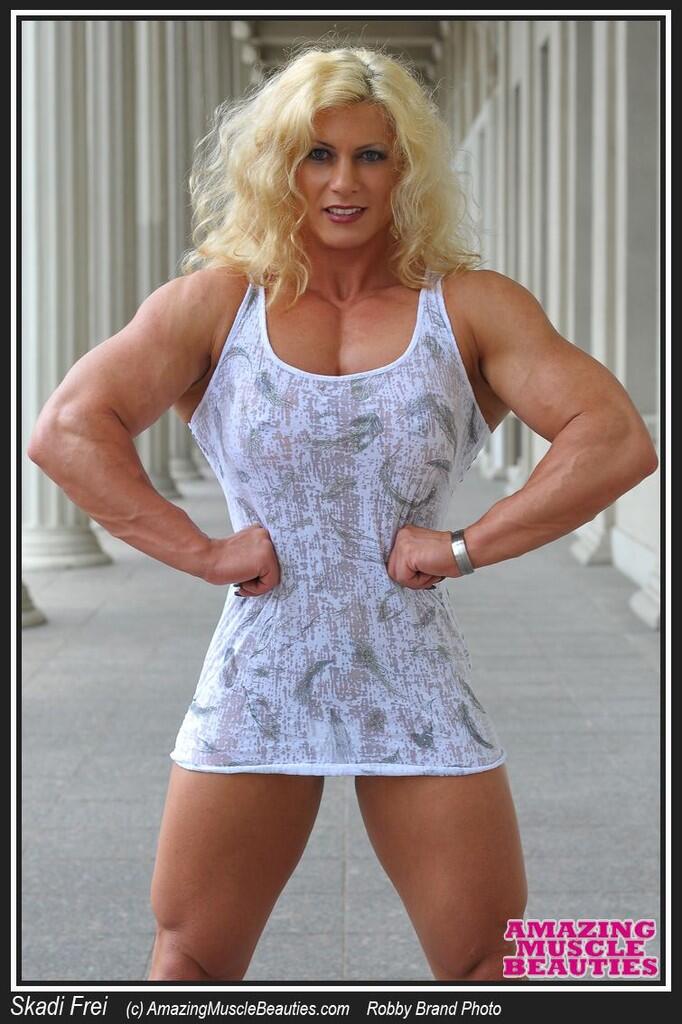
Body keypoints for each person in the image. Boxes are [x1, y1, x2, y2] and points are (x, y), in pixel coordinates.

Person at [27, 44, 658, 983]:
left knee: (494, 961)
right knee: (190, 959)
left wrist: (463, 545)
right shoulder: (217, 304)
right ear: (279, 165)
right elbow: (68, 430)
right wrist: (202, 552)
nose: (344, 182)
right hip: (260, 671)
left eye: (371, 155)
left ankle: (624, 975)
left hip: (412, 668)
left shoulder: (469, 306)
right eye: (317, 154)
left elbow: (614, 437)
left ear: (407, 169)